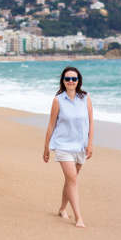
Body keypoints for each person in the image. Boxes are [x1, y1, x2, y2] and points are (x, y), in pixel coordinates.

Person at [43, 66, 94, 228]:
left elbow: (91, 122)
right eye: (67, 79)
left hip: (80, 146)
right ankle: (79, 217)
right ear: (63, 81)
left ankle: (62, 208)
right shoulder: (58, 100)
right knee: (72, 179)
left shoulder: (85, 97)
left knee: (70, 179)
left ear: (78, 81)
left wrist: (90, 143)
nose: (71, 81)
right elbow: (51, 125)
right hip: (63, 145)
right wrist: (46, 148)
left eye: (74, 79)